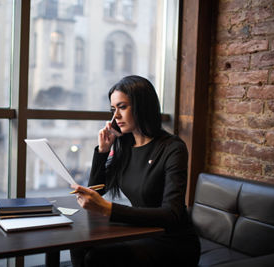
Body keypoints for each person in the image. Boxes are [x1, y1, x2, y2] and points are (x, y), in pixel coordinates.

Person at [70, 75, 201, 267]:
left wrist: (108, 209)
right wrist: (103, 151)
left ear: (142, 106)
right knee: (79, 245)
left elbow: (171, 215)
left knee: (96, 258)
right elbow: (96, 191)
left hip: (173, 242)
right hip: (140, 230)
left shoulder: (173, 147)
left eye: (122, 107)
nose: (116, 117)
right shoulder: (126, 145)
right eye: (113, 110)